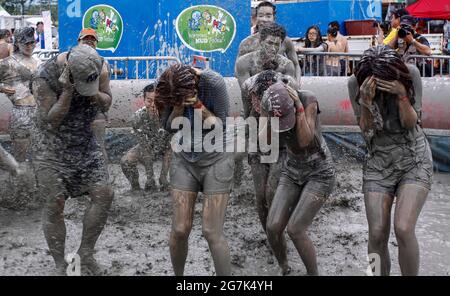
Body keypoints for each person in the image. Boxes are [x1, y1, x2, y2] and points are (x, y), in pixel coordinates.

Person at [347, 45, 433, 276]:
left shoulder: (410, 74)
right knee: (376, 232)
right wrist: (365, 101)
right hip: (378, 160)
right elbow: (366, 130)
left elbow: (410, 123)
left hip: (413, 156)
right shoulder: (355, 84)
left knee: (403, 228)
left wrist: (402, 94)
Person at [32, 44, 114, 275]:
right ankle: (60, 263)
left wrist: (94, 92)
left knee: (104, 193)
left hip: (84, 144)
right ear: (67, 70)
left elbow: (106, 102)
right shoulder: (44, 78)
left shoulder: (101, 68)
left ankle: (85, 253)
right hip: (50, 148)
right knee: (54, 202)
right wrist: (67, 91)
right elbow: (50, 121)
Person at [156, 64, 235, 276]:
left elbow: (221, 126)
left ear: (194, 85)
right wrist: (178, 109)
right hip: (185, 158)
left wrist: (199, 105)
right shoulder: (165, 86)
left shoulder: (213, 82)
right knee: (180, 228)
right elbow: (168, 127)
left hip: (217, 156)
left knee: (211, 231)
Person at [260, 82, 335, 276]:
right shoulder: (267, 106)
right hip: (291, 169)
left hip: (319, 172)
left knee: (295, 229)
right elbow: (265, 143)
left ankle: (313, 274)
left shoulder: (307, 99)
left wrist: (299, 111)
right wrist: (266, 116)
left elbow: (304, 140)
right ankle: (284, 266)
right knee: (272, 226)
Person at [240, 69, 299, 275]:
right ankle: (270, 237)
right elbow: (246, 116)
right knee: (259, 196)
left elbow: (295, 118)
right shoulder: (248, 87)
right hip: (258, 139)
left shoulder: (288, 85)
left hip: (281, 143)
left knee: (272, 193)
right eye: (258, 98)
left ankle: (279, 232)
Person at [121, 83, 171, 192]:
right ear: (144, 100)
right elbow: (144, 147)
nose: (153, 105)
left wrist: (163, 176)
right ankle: (135, 187)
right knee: (126, 161)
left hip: (167, 147)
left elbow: (171, 146)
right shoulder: (138, 118)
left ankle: (164, 180)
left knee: (177, 149)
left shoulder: (169, 116)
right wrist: (150, 177)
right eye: (149, 101)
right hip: (148, 146)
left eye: (157, 101)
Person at [0, 27, 39, 162]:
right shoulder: (8, 63)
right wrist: (2, 89)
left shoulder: (38, 62)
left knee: (39, 158)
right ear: (17, 44)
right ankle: (17, 181)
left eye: (31, 43)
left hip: (39, 113)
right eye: (25, 43)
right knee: (20, 158)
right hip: (20, 112)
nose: (29, 46)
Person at [238, 1, 301, 83]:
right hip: (254, 88)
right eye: (260, 15)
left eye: (268, 16)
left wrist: (296, 83)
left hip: (280, 86)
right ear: (256, 17)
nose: (264, 19)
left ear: (274, 18)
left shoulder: (285, 41)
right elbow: (238, 70)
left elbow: (296, 65)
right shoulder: (247, 43)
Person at [77, 28, 112, 163]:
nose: (89, 42)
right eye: (86, 39)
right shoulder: (69, 58)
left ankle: (105, 178)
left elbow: (105, 94)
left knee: (98, 147)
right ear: (79, 41)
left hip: (95, 110)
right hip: (76, 111)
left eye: (92, 40)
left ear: (96, 43)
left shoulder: (103, 63)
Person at [235, 23, 295, 88]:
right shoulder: (244, 63)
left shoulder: (287, 65)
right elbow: (246, 93)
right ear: (261, 42)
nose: (273, 48)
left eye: (277, 44)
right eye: (269, 43)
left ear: (281, 45)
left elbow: (290, 93)